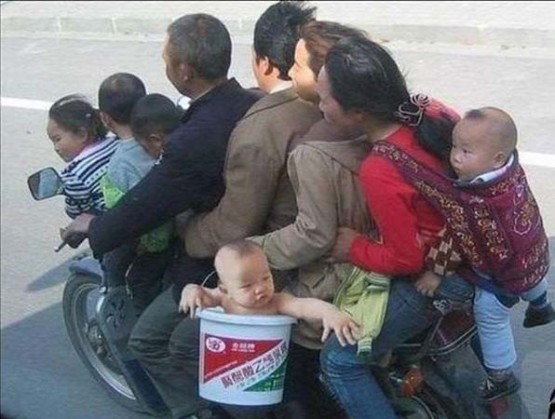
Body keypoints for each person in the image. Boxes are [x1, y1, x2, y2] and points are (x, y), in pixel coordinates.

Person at [125, 4, 321, 418]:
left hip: (274, 262)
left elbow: (235, 223)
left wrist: (190, 233)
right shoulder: (318, 104)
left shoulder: (261, 127)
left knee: (174, 343)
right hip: (303, 252)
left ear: (262, 61)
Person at [314, 37, 483, 418]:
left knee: (340, 360)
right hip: (473, 258)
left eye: (325, 100)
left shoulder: (380, 169)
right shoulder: (430, 110)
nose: (319, 106)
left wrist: (352, 247)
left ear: (357, 113)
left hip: (444, 279)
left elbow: (406, 259)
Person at [413, 107, 553, 401]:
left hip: (500, 278)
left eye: (466, 151)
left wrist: (435, 272)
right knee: (532, 280)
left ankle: (501, 376)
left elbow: (455, 236)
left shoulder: (476, 203)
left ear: (496, 158)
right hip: (533, 255)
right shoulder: (510, 173)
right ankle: (541, 304)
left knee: (490, 318)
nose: (455, 157)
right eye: (454, 147)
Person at [98, 75, 180, 313]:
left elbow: (126, 214)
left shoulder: (121, 163)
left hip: (153, 241)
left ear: (105, 118)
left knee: (131, 274)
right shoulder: (169, 136)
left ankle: (133, 309)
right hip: (180, 228)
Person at [180, 240, 361, 347]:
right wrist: (191, 291)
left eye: (266, 278)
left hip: (265, 363)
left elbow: (303, 306)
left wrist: (330, 312)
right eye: (247, 285)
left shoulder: (276, 302)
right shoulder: (222, 299)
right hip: (229, 359)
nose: (260, 288)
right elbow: (201, 294)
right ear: (225, 289)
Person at [47, 94, 118, 219]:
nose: (56, 148)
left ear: (82, 134)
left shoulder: (73, 176)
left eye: (57, 139)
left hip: (109, 222)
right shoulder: (116, 143)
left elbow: (75, 212)